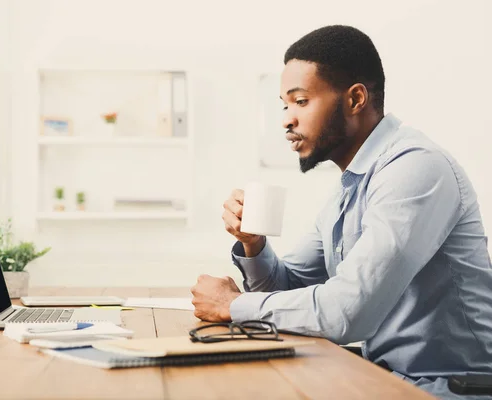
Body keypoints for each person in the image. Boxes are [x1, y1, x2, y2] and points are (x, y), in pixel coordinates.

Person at [190, 25, 492, 399]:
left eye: (300, 102)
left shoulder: (415, 169)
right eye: (285, 105)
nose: (287, 120)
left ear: (355, 99)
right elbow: (291, 288)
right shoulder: (349, 187)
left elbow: (347, 312)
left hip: (451, 387)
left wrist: (233, 305)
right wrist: (254, 244)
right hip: (385, 377)